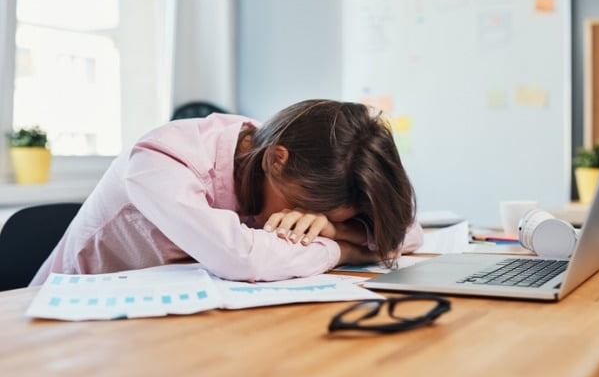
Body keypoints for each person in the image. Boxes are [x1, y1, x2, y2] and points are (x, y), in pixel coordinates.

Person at [31, 99, 423, 284]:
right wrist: (348, 249)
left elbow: (407, 232)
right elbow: (242, 259)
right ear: (276, 160)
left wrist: (334, 228)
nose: (307, 220)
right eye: (308, 207)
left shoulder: (293, 154)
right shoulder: (161, 159)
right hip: (70, 319)